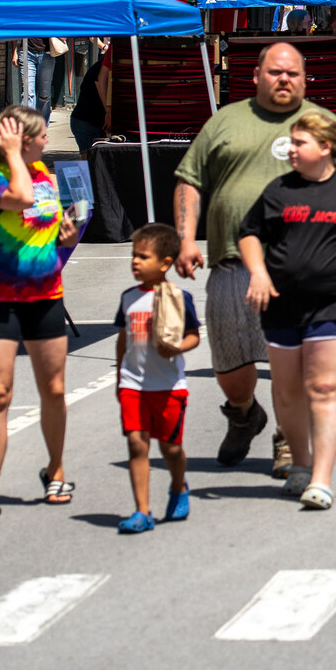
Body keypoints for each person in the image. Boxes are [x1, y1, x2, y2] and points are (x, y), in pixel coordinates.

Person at [175, 43, 336, 474]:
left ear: (305, 79)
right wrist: (186, 238)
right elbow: (190, 179)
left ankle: (288, 441)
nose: (284, 80)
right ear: (256, 75)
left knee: (296, 364)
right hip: (232, 262)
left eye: (293, 74)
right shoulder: (226, 120)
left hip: (305, 269)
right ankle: (244, 413)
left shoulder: (323, 124)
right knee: (230, 363)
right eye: (275, 72)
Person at [240, 110, 336, 509]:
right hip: (280, 306)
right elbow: (250, 234)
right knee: (287, 393)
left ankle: (321, 480)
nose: (290, 149)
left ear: (325, 148)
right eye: (291, 142)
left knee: (323, 389)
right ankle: (302, 464)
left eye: (299, 143)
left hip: (334, 303)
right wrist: (257, 273)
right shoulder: (278, 191)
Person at [0, 107, 79, 520]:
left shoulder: (43, 172)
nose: (48, 141)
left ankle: (56, 469)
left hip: (45, 293)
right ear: (20, 140)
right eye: (42, 135)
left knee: (56, 389)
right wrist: (12, 156)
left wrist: (68, 236)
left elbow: (44, 228)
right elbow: (23, 198)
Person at [112, 223, 201, 534]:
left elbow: (194, 337)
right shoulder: (127, 298)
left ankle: (178, 486)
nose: (135, 261)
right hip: (133, 385)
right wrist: (118, 376)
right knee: (137, 445)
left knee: (170, 449)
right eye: (133, 256)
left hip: (168, 387)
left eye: (143, 257)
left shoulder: (178, 297)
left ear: (165, 263)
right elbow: (122, 340)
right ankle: (142, 511)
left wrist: (177, 346)